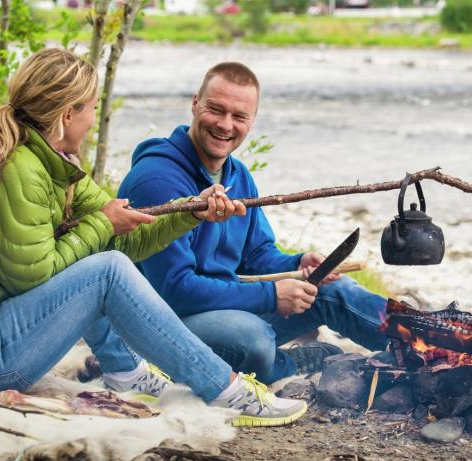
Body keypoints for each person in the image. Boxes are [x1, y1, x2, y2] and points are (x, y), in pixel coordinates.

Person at [0, 49, 307, 428]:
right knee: (103, 268)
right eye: (92, 107)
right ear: (68, 114)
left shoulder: (53, 165)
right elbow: (31, 277)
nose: (94, 116)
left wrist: (192, 212)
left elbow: (127, 235)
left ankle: (125, 371)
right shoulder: (20, 170)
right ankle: (226, 390)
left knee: (104, 261)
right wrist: (100, 226)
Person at [118, 62, 389, 385]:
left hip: (219, 307)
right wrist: (271, 296)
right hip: (161, 326)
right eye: (216, 110)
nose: (225, 125)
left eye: (239, 116)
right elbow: (176, 291)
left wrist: (297, 262)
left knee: (333, 289)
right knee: (253, 338)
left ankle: (425, 345)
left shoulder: (238, 176)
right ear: (195, 103)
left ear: (252, 121)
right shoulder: (157, 181)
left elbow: (257, 256)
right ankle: (286, 365)